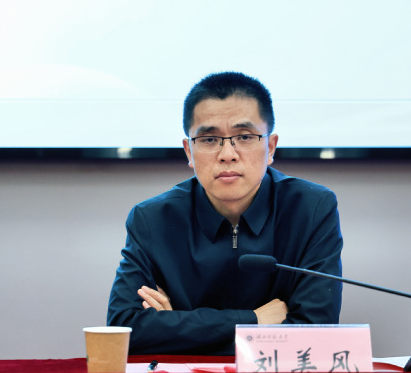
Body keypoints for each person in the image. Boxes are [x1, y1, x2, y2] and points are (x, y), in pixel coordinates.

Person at [107, 72, 343, 355]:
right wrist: (253, 321)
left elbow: (314, 333)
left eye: (244, 137)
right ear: (189, 151)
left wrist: (177, 327)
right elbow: (124, 330)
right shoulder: (152, 219)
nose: (227, 154)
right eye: (209, 139)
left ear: (270, 147)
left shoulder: (312, 209)